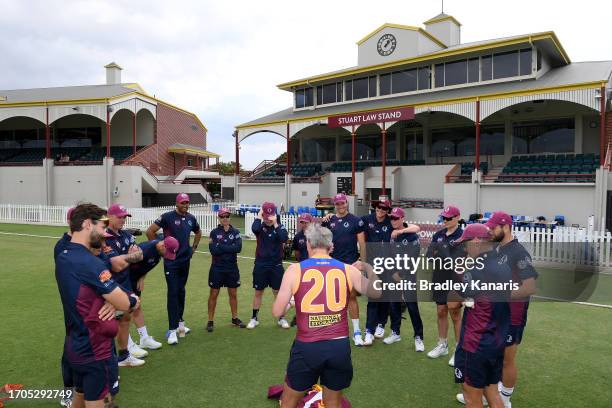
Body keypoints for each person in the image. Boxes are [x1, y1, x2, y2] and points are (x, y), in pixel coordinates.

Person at [271, 224, 382, 408]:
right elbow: (377, 292)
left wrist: (291, 302)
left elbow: (277, 312)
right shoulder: (348, 269)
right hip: (338, 346)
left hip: (307, 346)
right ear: (331, 247)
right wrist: (367, 266)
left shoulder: (295, 270)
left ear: (308, 244)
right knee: (332, 402)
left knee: (290, 401)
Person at [55, 203, 139, 408]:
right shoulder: (88, 262)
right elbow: (126, 302)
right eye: (101, 227)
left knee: (80, 397)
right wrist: (131, 300)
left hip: (75, 344)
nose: (104, 232)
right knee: (97, 401)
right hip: (94, 348)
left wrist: (109, 300)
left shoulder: (63, 252)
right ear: (86, 224)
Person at [451, 224, 512, 408]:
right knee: (492, 392)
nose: (464, 247)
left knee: (471, 397)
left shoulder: (476, 270)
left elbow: (453, 304)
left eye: (466, 243)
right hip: (496, 340)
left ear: (476, 241)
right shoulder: (502, 263)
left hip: (475, 343)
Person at [486, 211, 538, 408]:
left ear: (505, 226)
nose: (490, 230)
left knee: (507, 360)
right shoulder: (498, 250)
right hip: (496, 314)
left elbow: (529, 287)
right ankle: (491, 394)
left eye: (493, 227)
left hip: (512, 317)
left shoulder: (519, 252)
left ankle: (505, 399)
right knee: (494, 356)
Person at [146, 193, 202, 345]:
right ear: (177, 203)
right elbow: (150, 232)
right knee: (173, 292)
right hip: (171, 262)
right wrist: (160, 248)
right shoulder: (167, 217)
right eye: (183, 202)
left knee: (181, 291)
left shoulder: (191, 218)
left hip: (185, 260)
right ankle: (171, 330)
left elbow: (198, 232)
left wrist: (193, 249)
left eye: (187, 202)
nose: (185, 205)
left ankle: (180, 323)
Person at [321, 193, 366, 346]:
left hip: (351, 265)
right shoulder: (329, 221)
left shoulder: (356, 220)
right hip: (332, 266)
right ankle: (334, 330)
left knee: (351, 297)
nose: (341, 206)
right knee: (332, 299)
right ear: (335, 205)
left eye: (343, 203)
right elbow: (322, 241)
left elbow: (362, 243)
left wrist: (362, 262)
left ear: (347, 203)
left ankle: (357, 332)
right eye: (338, 204)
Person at [104, 204, 146, 367]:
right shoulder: (104, 237)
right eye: (120, 217)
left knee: (125, 319)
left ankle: (123, 356)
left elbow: (140, 255)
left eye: (124, 217)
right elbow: (116, 265)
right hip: (109, 286)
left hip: (125, 283)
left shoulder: (126, 235)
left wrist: (126, 257)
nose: (123, 220)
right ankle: (107, 361)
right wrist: (129, 256)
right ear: (110, 216)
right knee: (107, 324)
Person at [426, 205, 465, 366]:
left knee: (455, 313)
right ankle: (442, 344)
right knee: (441, 311)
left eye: (449, 218)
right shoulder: (438, 235)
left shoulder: (462, 235)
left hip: (456, 279)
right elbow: (429, 255)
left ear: (457, 217)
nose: (446, 220)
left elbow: (459, 260)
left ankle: (459, 349)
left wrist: (442, 253)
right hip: (439, 278)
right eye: (444, 217)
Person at [128, 235, 180, 350]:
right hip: (125, 280)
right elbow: (124, 265)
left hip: (135, 279)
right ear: (162, 246)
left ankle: (144, 339)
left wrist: (142, 277)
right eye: (168, 252)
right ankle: (128, 345)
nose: (167, 256)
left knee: (137, 307)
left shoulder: (159, 252)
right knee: (127, 312)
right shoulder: (144, 250)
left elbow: (146, 267)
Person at [384, 207, 424, 350]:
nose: (393, 220)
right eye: (391, 218)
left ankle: (419, 337)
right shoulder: (389, 230)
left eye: (396, 218)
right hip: (393, 273)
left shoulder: (412, 235)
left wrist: (401, 275)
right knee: (394, 304)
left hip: (408, 275)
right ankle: (395, 332)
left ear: (402, 219)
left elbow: (413, 259)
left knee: (412, 306)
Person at [246, 201, 289, 329]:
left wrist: (275, 223)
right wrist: (260, 216)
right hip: (261, 264)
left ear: (275, 215)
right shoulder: (259, 227)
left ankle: (281, 318)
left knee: (277, 292)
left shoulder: (279, 226)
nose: (268, 220)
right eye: (266, 216)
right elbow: (254, 229)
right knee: (258, 291)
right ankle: (254, 318)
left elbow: (284, 238)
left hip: (276, 265)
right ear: (263, 214)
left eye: (271, 217)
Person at [207, 208, 246, 332]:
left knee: (233, 293)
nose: (225, 218)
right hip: (217, 268)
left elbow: (238, 248)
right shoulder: (214, 232)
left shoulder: (236, 232)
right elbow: (213, 250)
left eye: (227, 216)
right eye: (222, 216)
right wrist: (230, 247)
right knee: (213, 294)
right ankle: (210, 320)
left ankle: (234, 318)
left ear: (230, 217)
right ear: (219, 218)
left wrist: (221, 246)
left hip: (232, 268)